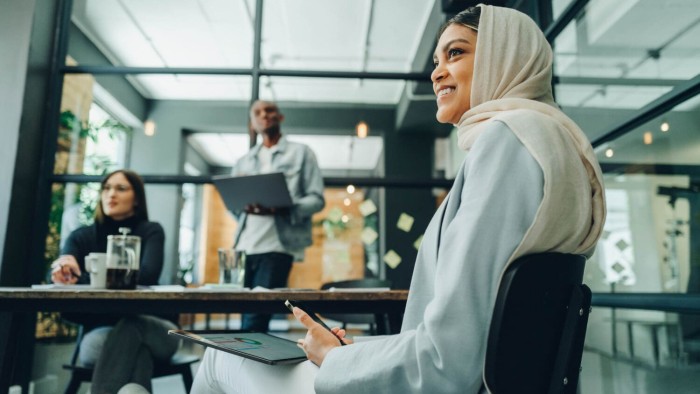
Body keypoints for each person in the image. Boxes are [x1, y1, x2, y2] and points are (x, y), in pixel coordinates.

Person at [191, 4, 606, 393]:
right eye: (435, 62)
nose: (437, 73)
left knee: (216, 358)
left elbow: (446, 360)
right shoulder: (552, 144)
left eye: (455, 53)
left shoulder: (508, 143)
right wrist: (358, 353)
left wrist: (338, 360)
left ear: (505, 55)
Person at [52, 169, 180, 394]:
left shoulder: (150, 231)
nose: (111, 194)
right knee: (136, 350)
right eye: (107, 188)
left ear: (137, 198)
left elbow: (148, 275)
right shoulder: (81, 237)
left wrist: (84, 280)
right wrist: (63, 271)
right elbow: (63, 272)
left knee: (133, 325)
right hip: (101, 335)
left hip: (155, 330)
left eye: (121, 188)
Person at [230, 99, 325, 332]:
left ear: (280, 117)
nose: (264, 115)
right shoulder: (243, 162)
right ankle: (246, 365)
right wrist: (246, 207)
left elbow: (317, 199)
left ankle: (250, 365)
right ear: (252, 123)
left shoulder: (301, 153)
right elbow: (233, 206)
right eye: (258, 112)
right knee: (243, 315)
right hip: (243, 248)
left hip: (278, 248)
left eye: (269, 110)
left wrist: (284, 207)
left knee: (256, 319)